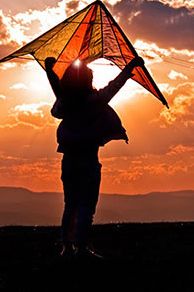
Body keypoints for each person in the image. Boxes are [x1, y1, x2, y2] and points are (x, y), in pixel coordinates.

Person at [44, 55, 145, 260]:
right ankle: (80, 248)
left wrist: (50, 71)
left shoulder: (64, 103)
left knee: (70, 204)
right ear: (88, 81)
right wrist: (130, 67)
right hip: (88, 160)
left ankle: (67, 248)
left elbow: (58, 97)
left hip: (69, 161)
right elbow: (115, 85)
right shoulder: (95, 101)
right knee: (86, 206)